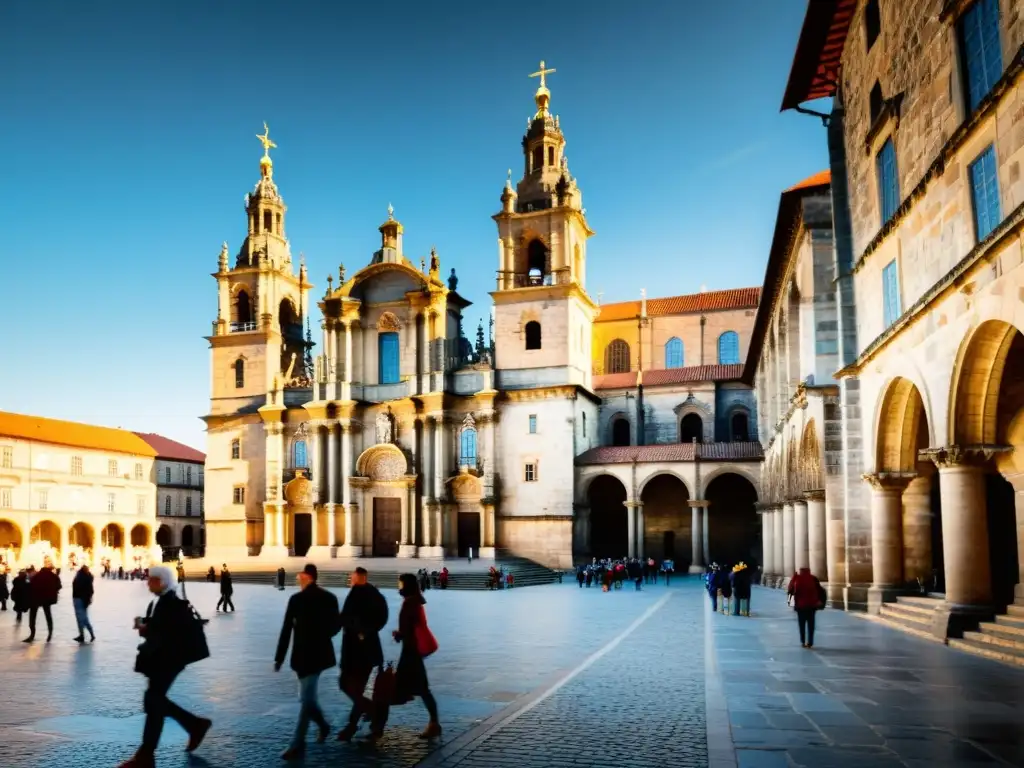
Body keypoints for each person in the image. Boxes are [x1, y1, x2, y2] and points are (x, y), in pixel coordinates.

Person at [117, 566, 211, 768]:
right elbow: (163, 627)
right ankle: (194, 726)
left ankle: (147, 755)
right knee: (154, 701)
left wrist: (144, 629)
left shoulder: (171, 603)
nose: (148, 583)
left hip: (168, 660)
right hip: (164, 660)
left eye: (152, 580)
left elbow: (164, 635)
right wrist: (147, 625)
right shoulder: (164, 602)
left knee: (153, 700)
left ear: (163, 582)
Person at [274, 564, 340, 760]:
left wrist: (279, 657)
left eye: (300, 576)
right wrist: (323, 633)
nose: (297, 579)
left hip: (302, 655)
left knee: (305, 700)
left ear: (307, 577)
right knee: (307, 698)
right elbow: (336, 626)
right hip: (320, 655)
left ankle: (297, 744)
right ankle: (323, 726)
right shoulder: (329, 598)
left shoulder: (297, 600)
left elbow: (286, 630)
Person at [336, 566, 388, 742]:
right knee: (359, 690)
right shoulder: (376, 595)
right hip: (371, 650)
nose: (350, 579)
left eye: (352, 577)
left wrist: (360, 631)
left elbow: (345, 618)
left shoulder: (357, 593)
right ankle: (352, 727)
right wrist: (369, 631)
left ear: (360, 577)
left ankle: (373, 715)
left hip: (354, 651)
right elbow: (383, 618)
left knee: (347, 685)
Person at [393, 574, 441, 739]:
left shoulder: (410, 603)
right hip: (411, 650)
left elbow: (408, 628)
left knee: (414, 688)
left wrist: (399, 634)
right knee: (414, 688)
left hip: (411, 651)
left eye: (400, 583)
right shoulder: (416, 601)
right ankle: (373, 717)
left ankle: (372, 716)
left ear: (406, 585)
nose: (398, 586)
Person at [788, 566, 825, 648]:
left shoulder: (797, 579)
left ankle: (803, 641)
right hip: (812, 606)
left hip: (800, 606)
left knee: (802, 624)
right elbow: (820, 590)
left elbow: (790, 590)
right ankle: (810, 642)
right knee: (811, 624)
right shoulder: (813, 578)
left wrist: (793, 578)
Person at [24, 560, 61, 643]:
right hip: (46, 599)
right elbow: (59, 585)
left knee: (33, 616)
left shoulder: (37, 576)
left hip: (36, 599)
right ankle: (50, 633)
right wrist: (53, 591)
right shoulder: (51, 575)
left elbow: (30, 587)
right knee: (48, 615)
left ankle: (32, 635)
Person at [72, 563, 96, 643]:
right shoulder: (88, 578)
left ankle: (87, 635)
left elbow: (76, 587)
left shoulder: (80, 577)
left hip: (78, 599)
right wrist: (88, 599)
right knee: (82, 618)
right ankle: (84, 635)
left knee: (82, 619)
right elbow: (91, 591)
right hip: (84, 601)